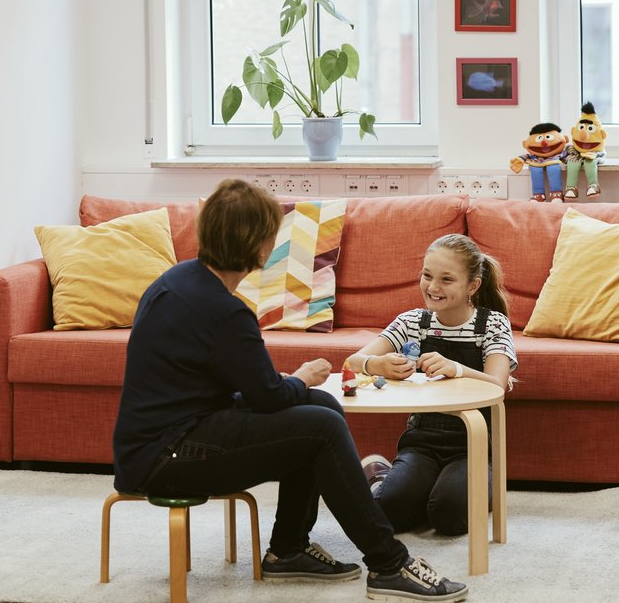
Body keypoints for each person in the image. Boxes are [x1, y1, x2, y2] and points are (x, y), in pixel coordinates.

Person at [112, 179, 467, 602]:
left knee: (319, 407)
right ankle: (389, 563)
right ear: (259, 244)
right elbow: (269, 397)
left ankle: (288, 549)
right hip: (168, 455)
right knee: (317, 423)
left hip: (166, 439)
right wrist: (299, 377)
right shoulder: (224, 311)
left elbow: (251, 387)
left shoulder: (181, 280)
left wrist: (300, 386)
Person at [342, 234, 515, 536]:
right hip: (421, 444)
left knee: (448, 516)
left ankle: (451, 488)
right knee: (386, 515)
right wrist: (376, 364)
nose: (433, 287)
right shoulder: (412, 322)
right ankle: (383, 474)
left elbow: (497, 386)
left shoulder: (492, 324)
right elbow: (352, 362)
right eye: (427, 275)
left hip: (471, 447)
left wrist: (458, 369)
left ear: (472, 286)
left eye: (447, 279)